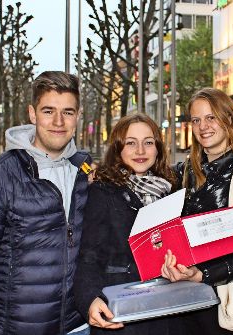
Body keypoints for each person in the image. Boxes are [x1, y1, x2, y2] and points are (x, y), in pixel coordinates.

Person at [0, 71, 91, 335]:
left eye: (67, 112)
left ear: (78, 116)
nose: (58, 121)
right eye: (48, 111)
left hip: (78, 326)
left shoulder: (85, 172)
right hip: (19, 327)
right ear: (32, 114)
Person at [161, 87, 233, 335]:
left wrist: (202, 274)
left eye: (211, 117)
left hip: (225, 303)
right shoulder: (186, 171)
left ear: (228, 120)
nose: (203, 127)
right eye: (196, 120)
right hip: (187, 297)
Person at [73, 113, 180, 335]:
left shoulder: (171, 189)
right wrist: (90, 299)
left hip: (166, 309)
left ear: (158, 148)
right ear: (118, 148)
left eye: (148, 142)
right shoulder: (102, 191)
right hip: (121, 312)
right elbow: (88, 257)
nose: (140, 151)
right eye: (131, 143)